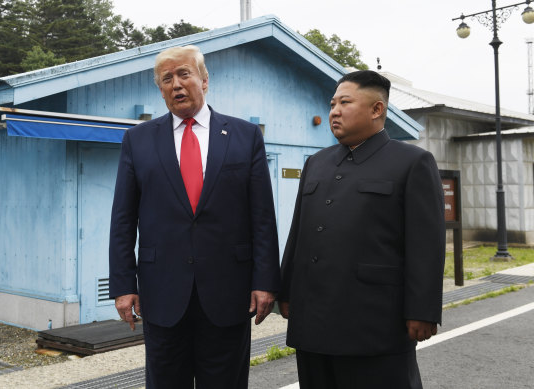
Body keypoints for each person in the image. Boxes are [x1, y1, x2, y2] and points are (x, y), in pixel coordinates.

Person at [109, 45, 280, 389]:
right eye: (166, 78)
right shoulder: (138, 140)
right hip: (162, 292)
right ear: (160, 89)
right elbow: (123, 220)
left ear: (204, 80)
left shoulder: (245, 137)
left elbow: (262, 216)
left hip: (229, 292)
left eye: (184, 74)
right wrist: (124, 285)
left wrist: (265, 281)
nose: (176, 84)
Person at [279, 70, 445, 388]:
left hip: (375, 321)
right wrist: (286, 291)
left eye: (345, 102)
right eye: (332, 104)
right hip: (312, 320)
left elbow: (427, 243)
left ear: (376, 109)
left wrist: (423, 309)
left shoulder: (412, 162)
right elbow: (298, 231)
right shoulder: (317, 162)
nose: (335, 111)